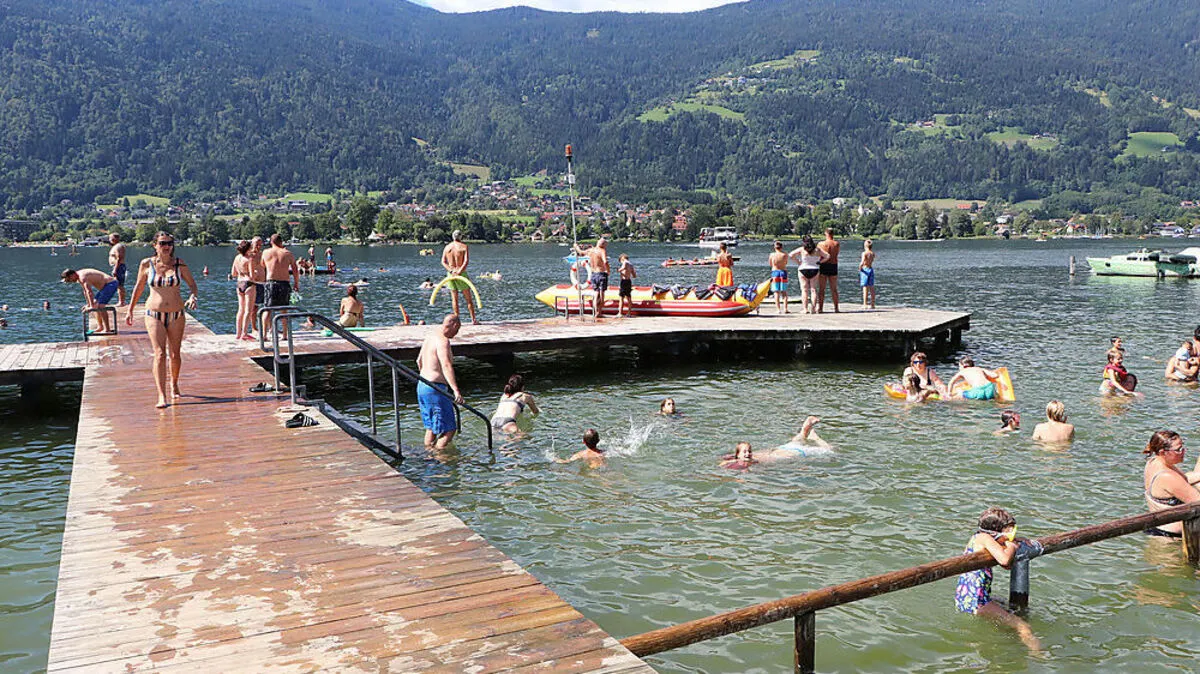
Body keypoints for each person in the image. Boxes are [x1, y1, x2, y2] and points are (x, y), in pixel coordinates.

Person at [124, 232, 199, 409]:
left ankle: (174, 383)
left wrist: (193, 296)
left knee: (175, 354)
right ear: (155, 245)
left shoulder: (180, 264)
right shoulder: (146, 264)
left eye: (170, 243)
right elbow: (139, 287)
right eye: (163, 243)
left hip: (176, 314)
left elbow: (193, 285)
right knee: (159, 353)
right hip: (153, 313)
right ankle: (161, 394)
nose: (167, 246)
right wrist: (130, 310)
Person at [954, 507, 1040, 653]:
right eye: (1009, 530)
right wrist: (1011, 546)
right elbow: (1005, 560)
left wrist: (1011, 542)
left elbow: (1006, 565)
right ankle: (1038, 655)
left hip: (968, 596)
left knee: (1009, 607)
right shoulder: (984, 539)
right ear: (997, 530)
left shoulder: (980, 538)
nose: (1012, 534)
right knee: (1022, 625)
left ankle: (1007, 633)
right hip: (977, 601)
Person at [416, 314, 464, 449]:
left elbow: (418, 361)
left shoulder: (430, 337)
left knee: (431, 427)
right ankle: (439, 458)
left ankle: (428, 455)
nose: (457, 333)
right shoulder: (443, 341)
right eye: (458, 329)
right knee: (449, 429)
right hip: (435, 389)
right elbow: (446, 365)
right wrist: (455, 390)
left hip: (422, 385)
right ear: (454, 325)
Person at [1142, 430, 1200, 538]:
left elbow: (1184, 480)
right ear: (1163, 452)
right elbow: (1198, 502)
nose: (1183, 451)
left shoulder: (1154, 462)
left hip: (1157, 529)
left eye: (1182, 447)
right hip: (1169, 539)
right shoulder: (1168, 477)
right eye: (1178, 450)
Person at [261, 233, 300, 339]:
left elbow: (262, 265)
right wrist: (296, 283)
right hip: (284, 283)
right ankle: (285, 335)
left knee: (267, 309)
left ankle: (264, 335)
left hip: (271, 282)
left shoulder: (266, 252)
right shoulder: (288, 253)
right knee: (284, 310)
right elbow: (295, 270)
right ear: (281, 242)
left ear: (271, 242)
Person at [60, 268, 119, 334]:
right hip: (105, 287)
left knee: (100, 306)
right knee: (94, 304)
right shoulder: (79, 277)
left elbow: (89, 292)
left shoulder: (82, 277)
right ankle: (100, 327)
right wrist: (89, 304)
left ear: (72, 275)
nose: (70, 282)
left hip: (111, 284)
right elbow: (85, 291)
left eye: (69, 280)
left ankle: (107, 329)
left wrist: (91, 306)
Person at [754, 416, 834, 463]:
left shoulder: (751, 460)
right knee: (797, 441)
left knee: (830, 449)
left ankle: (815, 438)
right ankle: (806, 430)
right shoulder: (752, 455)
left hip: (798, 452)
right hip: (784, 448)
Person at [440, 229, 478, 324]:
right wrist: (459, 271)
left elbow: (443, 262)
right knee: (468, 298)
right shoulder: (464, 247)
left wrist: (451, 270)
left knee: (454, 299)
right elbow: (465, 261)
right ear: (460, 237)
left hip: (451, 274)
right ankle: (473, 320)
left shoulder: (447, 247)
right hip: (461, 273)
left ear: (453, 237)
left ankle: (456, 321)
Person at [788, 235, 828, 314]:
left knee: (804, 290)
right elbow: (827, 256)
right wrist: (820, 262)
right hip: (815, 269)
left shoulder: (802, 249)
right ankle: (813, 309)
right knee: (813, 290)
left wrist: (798, 261)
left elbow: (790, 255)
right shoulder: (817, 250)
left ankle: (805, 309)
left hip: (803, 269)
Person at [230, 240, 256, 341]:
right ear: (248, 248)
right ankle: (244, 333)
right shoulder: (249, 259)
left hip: (239, 283)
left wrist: (242, 273)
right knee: (248, 310)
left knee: (240, 309)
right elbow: (252, 276)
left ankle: (238, 333)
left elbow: (233, 273)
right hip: (248, 284)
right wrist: (256, 274)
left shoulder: (237, 258)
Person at [580, 237, 610, 320]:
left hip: (593, 274)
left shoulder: (590, 250)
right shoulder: (602, 251)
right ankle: (599, 312)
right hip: (601, 273)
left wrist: (575, 247)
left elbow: (581, 252)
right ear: (603, 244)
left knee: (596, 293)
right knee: (602, 294)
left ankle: (595, 311)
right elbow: (605, 261)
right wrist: (608, 270)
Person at [816, 228, 840, 313]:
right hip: (833, 265)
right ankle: (836, 308)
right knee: (834, 288)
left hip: (823, 265)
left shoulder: (821, 244)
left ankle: (820, 308)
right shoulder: (836, 244)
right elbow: (836, 254)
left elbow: (818, 254)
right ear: (833, 234)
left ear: (826, 233)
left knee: (822, 289)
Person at [248, 236, 266, 334]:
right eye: (256, 244)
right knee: (254, 308)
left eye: (260, 244)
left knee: (267, 307)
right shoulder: (250, 255)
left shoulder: (263, 254)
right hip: (255, 283)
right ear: (252, 244)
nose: (258, 246)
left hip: (264, 283)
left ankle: (269, 327)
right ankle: (254, 328)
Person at [768, 240, 790, 314]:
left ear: (775, 247)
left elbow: (770, 264)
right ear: (781, 247)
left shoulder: (772, 255)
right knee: (784, 292)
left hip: (775, 272)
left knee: (776, 292)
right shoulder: (785, 254)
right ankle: (785, 308)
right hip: (783, 272)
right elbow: (786, 263)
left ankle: (778, 309)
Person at [108, 232, 128, 307]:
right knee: (118, 285)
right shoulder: (116, 246)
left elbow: (119, 258)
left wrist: (115, 269)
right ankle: (121, 301)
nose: (109, 240)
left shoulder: (118, 246)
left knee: (119, 285)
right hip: (117, 266)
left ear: (114, 238)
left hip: (118, 267)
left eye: (110, 238)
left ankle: (121, 302)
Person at [617, 253, 636, 318]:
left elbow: (624, 267)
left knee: (621, 297)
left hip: (624, 281)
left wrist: (619, 270)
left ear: (622, 258)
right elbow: (634, 275)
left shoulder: (625, 262)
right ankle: (629, 313)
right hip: (629, 281)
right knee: (628, 297)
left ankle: (620, 313)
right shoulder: (631, 264)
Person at [859, 239, 876, 310]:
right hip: (871, 269)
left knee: (865, 287)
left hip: (865, 269)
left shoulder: (864, 253)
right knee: (871, 287)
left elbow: (862, 262)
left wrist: (860, 268)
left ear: (865, 246)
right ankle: (872, 304)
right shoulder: (872, 253)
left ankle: (865, 303)